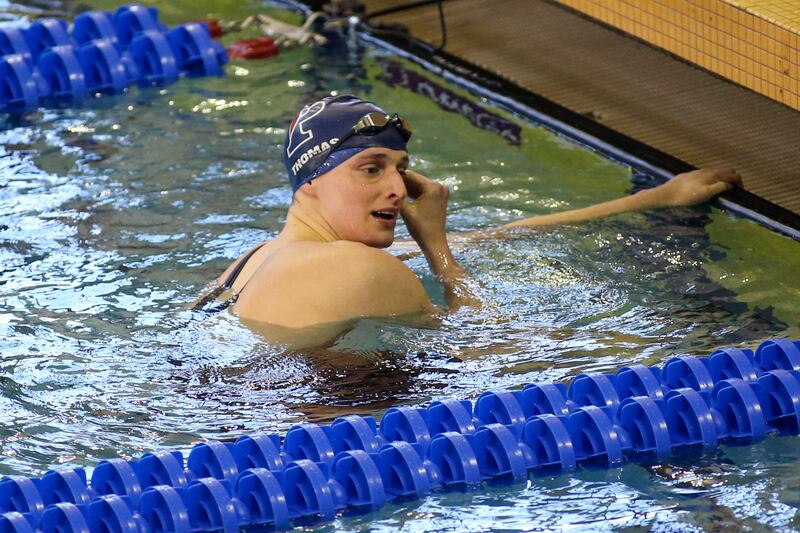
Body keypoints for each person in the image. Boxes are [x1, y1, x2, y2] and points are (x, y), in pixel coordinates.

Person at [197, 94, 742, 340]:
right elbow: (494, 350)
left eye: (401, 169)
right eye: (370, 169)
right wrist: (441, 257)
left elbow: (492, 237)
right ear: (311, 184)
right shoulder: (356, 271)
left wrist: (654, 199)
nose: (396, 187)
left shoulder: (250, 263)